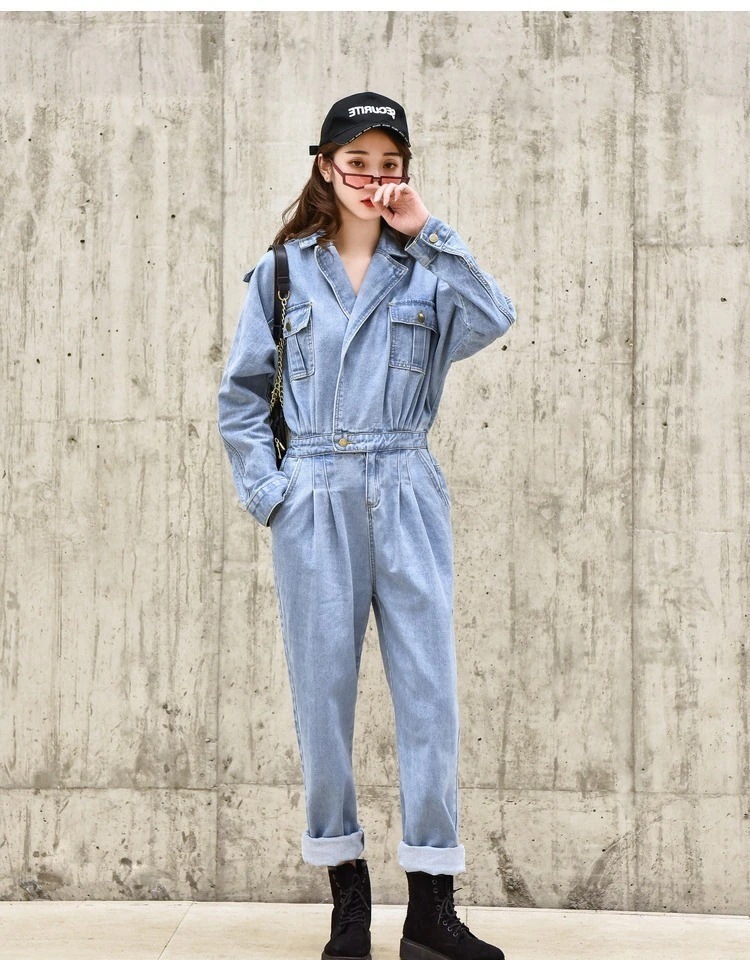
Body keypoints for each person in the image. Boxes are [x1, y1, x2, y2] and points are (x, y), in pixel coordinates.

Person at [217, 91, 515, 960]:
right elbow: (242, 397)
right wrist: (272, 493)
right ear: (326, 165)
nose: (373, 178)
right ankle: (347, 900)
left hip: (407, 483)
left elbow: (496, 316)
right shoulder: (281, 273)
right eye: (357, 162)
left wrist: (429, 232)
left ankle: (431, 907)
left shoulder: (425, 270)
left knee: (430, 695)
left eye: (390, 164)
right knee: (323, 699)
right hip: (314, 491)